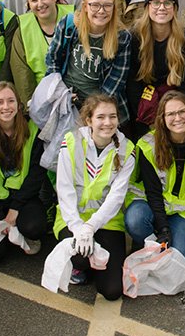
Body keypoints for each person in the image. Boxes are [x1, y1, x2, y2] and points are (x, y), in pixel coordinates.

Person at [54, 93, 135, 299]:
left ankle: (93, 262)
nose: (107, 123)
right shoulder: (71, 142)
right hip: (72, 219)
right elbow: (65, 190)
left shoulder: (127, 150)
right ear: (89, 120)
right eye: (100, 117)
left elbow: (116, 198)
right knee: (80, 257)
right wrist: (79, 227)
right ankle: (80, 266)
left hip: (106, 223)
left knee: (112, 291)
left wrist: (91, 227)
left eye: (112, 116)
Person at [125, 91, 185, 260]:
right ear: (162, 119)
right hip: (150, 203)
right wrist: (163, 228)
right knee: (135, 221)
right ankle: (147, 242)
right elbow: (153, 192)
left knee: (181, 255)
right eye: (171, 114)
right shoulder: (147, 145)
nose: (178, 118)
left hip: (183, 211)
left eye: (182, 112)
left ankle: (158, 248)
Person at [0, 82, 48, 265]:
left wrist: (15, 209)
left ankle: (20, 230)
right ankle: (5, 235)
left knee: (34, 227)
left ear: (18, 105)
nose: (6, 107)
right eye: (0, 102)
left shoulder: (33, 129)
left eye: (11, 101)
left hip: (23, 198)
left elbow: (37, 173)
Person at [47, 0, 134, 121]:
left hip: (101, 104)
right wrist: (60, 92)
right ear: (85, 7)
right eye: (95, 5)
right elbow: (52, 59)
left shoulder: (121, 37)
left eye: (107, 5)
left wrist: (95, 108)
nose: (101, 11)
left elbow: (116, 79)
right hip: (66, 100)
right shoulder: (69, 25)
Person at [125, 0, 185, 137]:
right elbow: (132, 83)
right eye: (156, 3)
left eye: (167, 3)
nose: (161, 7)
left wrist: (174, 116)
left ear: (174, 8)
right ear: (148, 7)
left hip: (176, 108)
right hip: (143, 109)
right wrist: (147, 116)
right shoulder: (135, 37)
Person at [7, 0, 73, 106]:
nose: (40, 4)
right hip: (40, 102)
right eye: (34, 0)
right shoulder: (22, 29)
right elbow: (22, 74)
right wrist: (33, 107)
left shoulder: (74, 19)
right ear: (28, 3)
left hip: (74, 96)